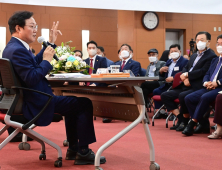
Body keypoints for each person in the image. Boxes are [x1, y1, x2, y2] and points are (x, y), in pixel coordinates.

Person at [3, 11, 106, 165]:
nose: (36, 29)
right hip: (37, 102)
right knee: (84, 104)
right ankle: (83, 152)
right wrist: (47, 62)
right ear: (18, 28)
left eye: (36, 26)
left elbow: (34, 65)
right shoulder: (18, 50)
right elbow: (32, 78)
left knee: (73, 104)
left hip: (29, 99)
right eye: (32, 26)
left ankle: (74, 149)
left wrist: (50, 43)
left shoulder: (13, 47)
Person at [160, 31, 217, 131]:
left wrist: (188, 77)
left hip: (197, 85)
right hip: (185, 84)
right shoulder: (194, 55)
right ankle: (181, 118)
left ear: (208, 42)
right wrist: (185, 76)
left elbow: (204, 71)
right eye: (197, 40)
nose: (199, 42)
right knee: (165, 95)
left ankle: (187, 121)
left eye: (202, 40)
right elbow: (186, 67)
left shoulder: (211, 56)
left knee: (183, 96)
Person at [183, 34, 222, 136]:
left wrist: (217, 83)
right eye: (218, 44)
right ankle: (202, 122)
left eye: (221, 44)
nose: (219, 46)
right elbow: (207, 73)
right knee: (188, 98)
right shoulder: (215, 60)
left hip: (219, 87)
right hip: (208, 86)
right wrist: (206, 82)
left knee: (204, 97)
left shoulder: (211, 56)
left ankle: (192, 123)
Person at [153, 44, 188, 118]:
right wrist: (161, 71)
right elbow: (162, 76)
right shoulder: (169, 61)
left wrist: (174, 78)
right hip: (167, 84)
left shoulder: (185, 61)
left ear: (180, 51)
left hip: (178, 85)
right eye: (171, 51)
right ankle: (162, 111)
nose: (173, 53)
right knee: (156, 91)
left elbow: (184, 72)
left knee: (168, 95)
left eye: (175, 51)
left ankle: (174, 113)